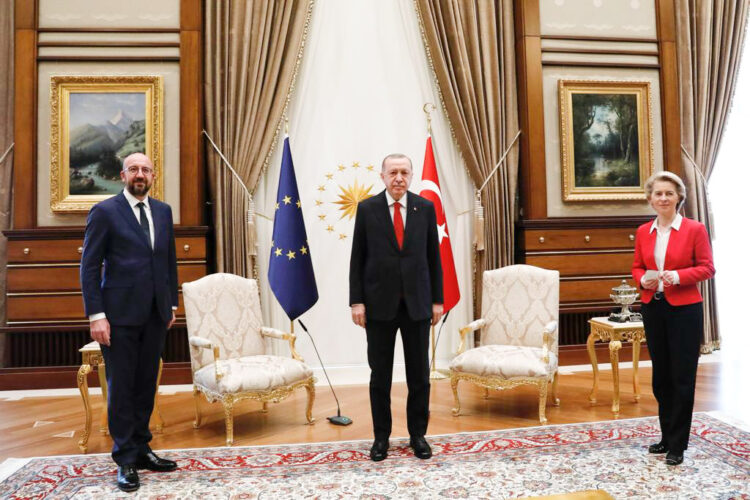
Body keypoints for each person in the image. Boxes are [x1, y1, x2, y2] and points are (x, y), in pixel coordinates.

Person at [80, 153, 179, 492]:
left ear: (153, 176)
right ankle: (124, 458)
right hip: (118, 316)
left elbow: (168, 261)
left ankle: (142, 449)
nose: (140, 174)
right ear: (123, 175)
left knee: (145, 383)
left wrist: (171, 303)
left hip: (155, 314)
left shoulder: (163, 211)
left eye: (146, 169)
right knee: (121, 386)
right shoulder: (105, 212)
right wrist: (96, 315)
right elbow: (89, 267)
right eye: (134, 169)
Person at [349, 153, 443, 462]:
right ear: (383, 176)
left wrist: (437, 300)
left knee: (420, 376)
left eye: (404, 172)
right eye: (393, 172)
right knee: (381, 377)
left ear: (411, 176)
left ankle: (418, 435)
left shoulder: (425, 208)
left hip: (418, 305)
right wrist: (357, 301)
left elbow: (433, 257)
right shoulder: (367, 209)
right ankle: (381, 438)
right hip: (379, 307)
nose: (399, 178)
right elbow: (358, 258)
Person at [632, 171, 715, 466]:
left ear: (679, 197)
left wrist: (678, 276)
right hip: (653, 308)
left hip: (684, 310)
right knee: (661, 377)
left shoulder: (695, 229)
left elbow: (707, 268)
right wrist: (642, 280)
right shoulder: (644, 231)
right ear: (650, 198)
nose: (664, 198)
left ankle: (678, 445)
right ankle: (666, 437)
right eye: (658, 193)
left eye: (669, 193)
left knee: (682, 377)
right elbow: (637, 266)